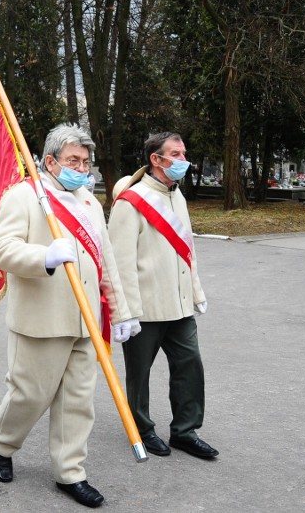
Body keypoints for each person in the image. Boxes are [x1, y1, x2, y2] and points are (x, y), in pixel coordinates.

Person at [0, 124, 137, 509]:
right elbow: (1, 250)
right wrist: (44, 258)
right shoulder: (24, 196)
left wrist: (119, 311)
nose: (81, 169)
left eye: (86, 163)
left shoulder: (88, 201)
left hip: (86, 320)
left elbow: (106, 262)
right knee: (30, 395)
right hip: (41, 319)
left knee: (78, 401)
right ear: (50, 161)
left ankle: (70, 472)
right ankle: (2, 443)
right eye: (73, 161)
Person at [107, 131, 217, 460]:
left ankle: (185, 431)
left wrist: (196, 292)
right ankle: (141, 428)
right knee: (138, 375)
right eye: (176, 155)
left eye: (184, 153)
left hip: (180, 306)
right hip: (145, 310)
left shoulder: (177, 196)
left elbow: (188, 253)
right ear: (156, 159)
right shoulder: (131, 202)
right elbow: (120, 264)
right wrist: (124, 313)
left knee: (190, 366)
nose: (184, 160)